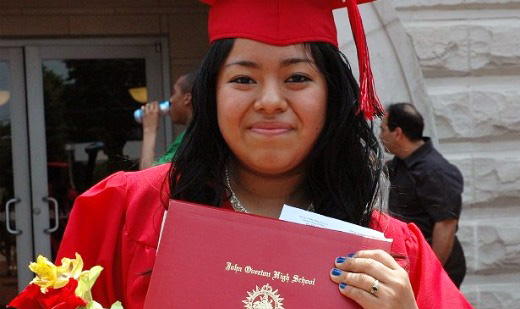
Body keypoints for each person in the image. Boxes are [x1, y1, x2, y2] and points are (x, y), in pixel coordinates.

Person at [57, 0, 473, 308]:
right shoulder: (125, 210)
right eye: (243, 78)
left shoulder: (394, 252)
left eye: (297, 77)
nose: (270, 101)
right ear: (211, 96)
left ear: (332, 97)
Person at [379, 103, 467, 288]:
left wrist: (431, 275)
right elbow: (379, 168)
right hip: (412, 261)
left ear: (398, 133)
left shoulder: (436, 171)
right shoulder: (402, 162)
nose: (380, 136)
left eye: (383, 129)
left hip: (436, 267)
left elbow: (446, 225)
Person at [139, 71, 196, 169]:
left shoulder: (193, 138)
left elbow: (149, 177)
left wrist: (149, 129)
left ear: (187, 98)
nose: (171, 100)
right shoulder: (192, 133)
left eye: (174, 93)